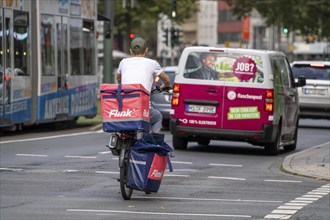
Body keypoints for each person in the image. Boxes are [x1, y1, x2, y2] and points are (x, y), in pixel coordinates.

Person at [116, 37, 171, 133]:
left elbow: (118, 78)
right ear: (146, 50)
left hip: (124, 107)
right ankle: (151, 141)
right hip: (142, 108)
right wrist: (164, 86)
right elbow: (167, 80)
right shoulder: (153, 63)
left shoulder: (123, 62)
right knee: (158, 117)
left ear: (130, 51)